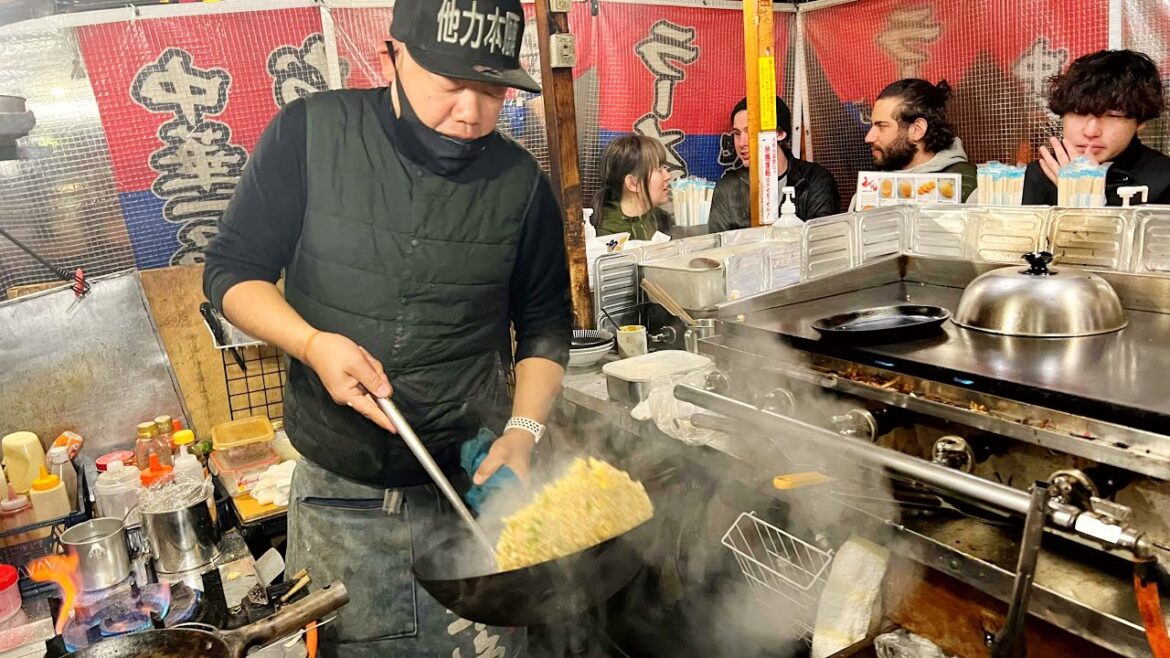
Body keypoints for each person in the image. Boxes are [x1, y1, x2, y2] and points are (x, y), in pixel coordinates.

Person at [201, 0, 571, 654]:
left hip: (471, 491)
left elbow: (544, 324)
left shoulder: (522, 186)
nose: (471, 111)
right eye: (450, 83)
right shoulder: (309, 135)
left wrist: (522, 433)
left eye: (492, 90)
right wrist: (312, 344)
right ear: (391, 55)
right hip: (345, 504)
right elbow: (232, 272)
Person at [1023, 49, 1170, 205]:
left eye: (1113, 115)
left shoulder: (1164, 180)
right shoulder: (1035, 175)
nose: (1090, 131)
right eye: (1078, 112)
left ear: (1140, 122)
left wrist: (1089, 203)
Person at [709, 96, 839, 232]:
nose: (741, 143)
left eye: (750, 132)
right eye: (737, 133)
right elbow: (718, 242)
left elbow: (820, 239)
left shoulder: (815, 181)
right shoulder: (728, 188)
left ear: (780, 133)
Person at [858, 79, 977, 207]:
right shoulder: (870, 190)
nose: (868, 138)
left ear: (917, 130)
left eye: (881, 126)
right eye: (872, 126)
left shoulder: (971, 191)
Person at [593, 134, 673, 240]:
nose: (668, 176)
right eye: (659, 170)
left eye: (664, 167)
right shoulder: (610, 234)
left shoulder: (660, 218)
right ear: (633, 183)